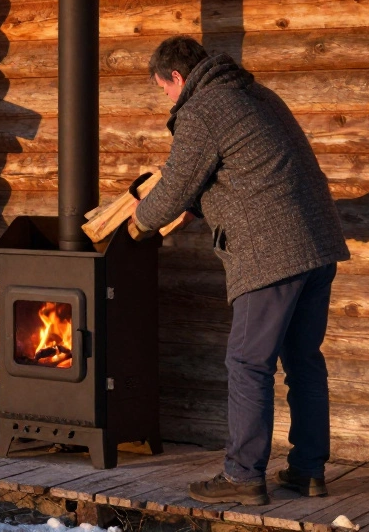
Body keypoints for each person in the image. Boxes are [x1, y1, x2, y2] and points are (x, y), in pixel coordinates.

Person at [133, 36, 350, 506]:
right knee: (303, 361)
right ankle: (308, 471)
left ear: (177, 77)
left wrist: (139, 220)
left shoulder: (203, 107)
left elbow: (175, 185)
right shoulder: (257, 95)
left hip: (271, 253)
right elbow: (235, 167)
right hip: (318, 246)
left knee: (248, 364)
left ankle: (243, 477)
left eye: (164, 90)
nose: (168, 100)